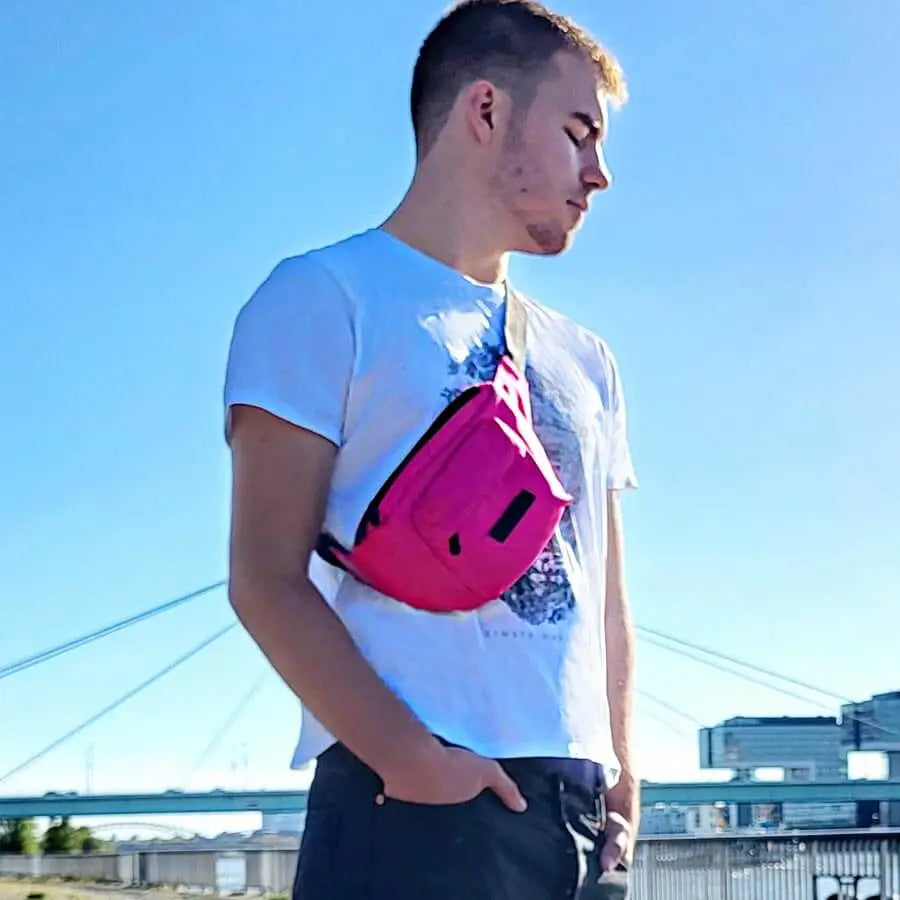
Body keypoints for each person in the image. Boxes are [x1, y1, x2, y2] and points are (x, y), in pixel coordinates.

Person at [223, 1, 639, 897]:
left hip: (578, 820)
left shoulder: (587, 358)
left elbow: (605, 594)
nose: (599, 174)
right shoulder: (322, 297)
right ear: (486, 110)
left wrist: (622, 772)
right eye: (578, 134)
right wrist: (412, 762)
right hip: (412, 805)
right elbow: (263, 577)